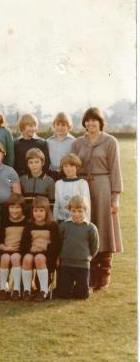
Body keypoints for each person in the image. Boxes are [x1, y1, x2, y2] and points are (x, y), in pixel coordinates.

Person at [71, 107, 122, 291]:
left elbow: (115, 169)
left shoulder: (110, 141)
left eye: (95, 120)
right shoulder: (78, 143)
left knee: (105, 228)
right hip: (83, 187)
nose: (91, 124)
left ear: (100, 122)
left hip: (103, 186)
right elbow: (72, 165)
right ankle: (90, 274)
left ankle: (104, 273)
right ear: (84, 122)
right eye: (88, 120)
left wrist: (115, 197)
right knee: (86, 227)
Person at [55, 196, 99, 300]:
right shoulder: (64, 225)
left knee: (82, 296)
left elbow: (95, 245)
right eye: (73, 211)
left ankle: (84, 288)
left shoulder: (90, 227)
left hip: (82, 264)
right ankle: (66, 288)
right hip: (66, 263)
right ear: (69, 210)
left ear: (85, 210)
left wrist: (90, 256)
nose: (76, 214)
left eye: (80, 211)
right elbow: (59, 242)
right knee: (63, 295)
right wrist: (59, 257)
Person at [20, 196, 60, 302]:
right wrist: (32, 249)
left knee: (39, 258)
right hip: (32, 251)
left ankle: (44, 290)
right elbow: (24, 244)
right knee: (27, 258)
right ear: (32, 211)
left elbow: (56, 245)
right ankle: (27, 290)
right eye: (35, 210)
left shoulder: (53, 225)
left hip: (47, 255)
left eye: (41, 210)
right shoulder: (29, 225)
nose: (38, 213)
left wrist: (44, 248)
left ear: (47, 211)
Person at [0, 194, 27, 300]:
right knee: (5, 258)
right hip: (6, 249)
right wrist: (5, 248)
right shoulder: (4, 221)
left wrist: (19, 249)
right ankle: (3, 288)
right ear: (8, 208)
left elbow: (28, 241)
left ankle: (16, 289)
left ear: (22, 208)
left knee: (14, 257)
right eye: (12, 207)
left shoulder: (26, 222)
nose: (14, 210)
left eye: (18, 207)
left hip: (20, 250)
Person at [53, 153, 91, 223]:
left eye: (72, 166)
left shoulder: (82, 183)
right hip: (62, 220)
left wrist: (86, 222)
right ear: (62, 168)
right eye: (66, 166)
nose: (69, 169)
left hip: (78, 221)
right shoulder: (58, 183)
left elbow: (87, 204)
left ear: (77, 167)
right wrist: (54, 221)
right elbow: (56, 204)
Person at [20, 148, 55, 216]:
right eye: (31, 162)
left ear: (42, 163)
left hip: (42, 216)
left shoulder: (49, 181)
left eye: (37, 162)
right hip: (26, 216)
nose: (34, 165)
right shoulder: (22, 179)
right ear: (27, 164)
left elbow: (52, 203)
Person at [47, 112, 75, 180]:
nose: (60, 127)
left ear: (68, 126)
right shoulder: (49, 141)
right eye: (58, 124)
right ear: (54, 125)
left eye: (63, 125)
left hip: (67, 173)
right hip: (52, 173)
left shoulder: (73, 141)